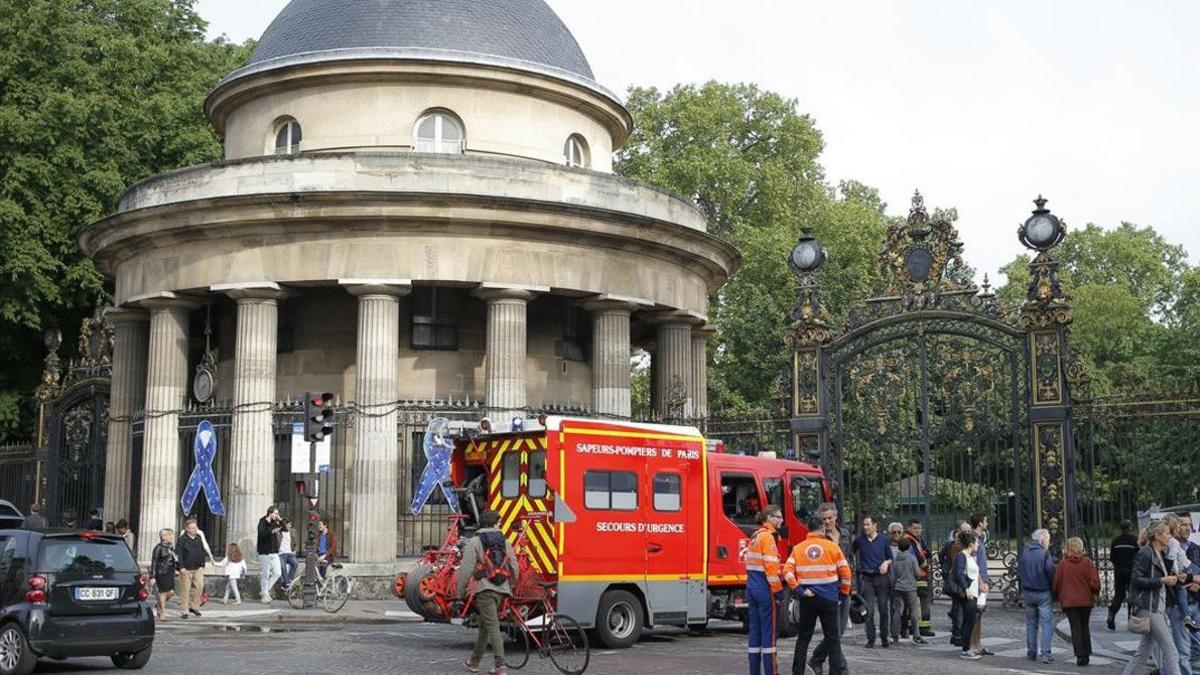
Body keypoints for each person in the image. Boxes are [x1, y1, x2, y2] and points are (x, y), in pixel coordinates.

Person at [784, 514, 851, 675]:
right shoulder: (833, 547)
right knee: (833, 639)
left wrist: (799, 590)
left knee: (803, 638)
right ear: (822, 528)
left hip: (808, 599)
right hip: (829, 599)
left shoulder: (798, 548)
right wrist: (842, 595)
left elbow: (786, 572)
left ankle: (798, 672)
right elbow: (846, 573)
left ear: (808, 528)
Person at [458, 509, 519, 675]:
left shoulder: (475, 542)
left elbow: (466, 570)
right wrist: (513, 583)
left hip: (484, 589)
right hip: (502, 589)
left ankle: (500, 665)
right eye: (498, 522)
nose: (500, 525)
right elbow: (514, 564)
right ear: (494, 523)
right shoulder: (504, 541)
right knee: (485, 626)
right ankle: (474, 662)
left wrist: (459, 593)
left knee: (491, 625)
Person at [1122, 520, 1182, 675]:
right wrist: (1161, 580)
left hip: (1157, 606)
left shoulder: (1160, 553)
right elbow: (1136, 579)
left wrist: (1174, 578)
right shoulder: (1145, 553)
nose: (1170, 537)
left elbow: (1161, 576)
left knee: (1142, 653)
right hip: (1149, 607)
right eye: (1167, 533)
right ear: (1157, 536)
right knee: (1171, 651)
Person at [809, 502, 851, 675]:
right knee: (835, 631)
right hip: (827, 587)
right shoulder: (818, 538)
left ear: (836, 517)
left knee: (837, 631)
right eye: (824, 519)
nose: (827, 522)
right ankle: (840, 669)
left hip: (845, 585)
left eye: (830, 518)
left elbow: (851, 559)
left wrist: (853, 584)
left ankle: (816, 659)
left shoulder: (846, 534)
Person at [745, 505, 784, 675]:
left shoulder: (755, 535)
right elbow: (771, 569)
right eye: (778, 516)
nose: (781, 520)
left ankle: (754, 672)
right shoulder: (768, 537)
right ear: (769, 518)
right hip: (764, 589)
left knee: (755, 632)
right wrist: (778, 591)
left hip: (752, 587)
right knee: (769, 633)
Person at [1053, 536, 1101, 666]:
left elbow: (1056, 583)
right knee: (1085, 627)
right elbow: (1095, 583)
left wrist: (1056, 596)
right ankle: (1086, 654)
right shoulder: (1087, 562)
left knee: (1075, 628)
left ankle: (1079, 655)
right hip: (1085, 601)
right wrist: (1094, 591)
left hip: (1069, 601)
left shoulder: (1063, 564)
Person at [852, 515, 893, 648]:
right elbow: (850, 553)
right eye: (864, 525)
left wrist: (886, 563)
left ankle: (884, 637)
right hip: (866, 578)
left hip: (881, 578)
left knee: (883, 609)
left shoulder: (884, 540)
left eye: (868, 525)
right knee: (868, 610)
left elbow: (890, 557)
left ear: (875, 525)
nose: (865, 527)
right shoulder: (859, 540)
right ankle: (871, 639)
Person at [1018, 528, 1056, 664]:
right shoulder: (1045, 554)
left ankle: (1031, 652)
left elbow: (1020, 573)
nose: (1048, 543)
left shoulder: (1025, 553)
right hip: (1043, 592)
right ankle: (1045, 653)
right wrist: (1054, 589)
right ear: (1042, 540)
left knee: (1031, 624)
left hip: (1028, 592)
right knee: (1047, 624)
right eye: (1048, 540)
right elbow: (1050, 573)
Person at [952, 530, 982, 660]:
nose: (978, 544)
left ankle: (967, 648)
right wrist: (967, 589)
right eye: (976, 542)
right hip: (968, 593)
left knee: (969, 621)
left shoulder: (969, 556)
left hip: (973, 592)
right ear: (971, 544)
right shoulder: (962, 556)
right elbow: (959, 573)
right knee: (969, 621)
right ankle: (966, 649)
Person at [940, 521, 971, 646]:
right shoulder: (953, 546)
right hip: (956, 580)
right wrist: (946, 569)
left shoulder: (965, 545)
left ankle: (957, 632)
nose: (968, 534)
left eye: (969, 532)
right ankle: (957, 634)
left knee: (957, 607)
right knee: (959, 608)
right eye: (966, 532)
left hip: (959, 579)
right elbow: (942, 557)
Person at [904, 518, 936, 637]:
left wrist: (925, 559)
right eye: (915, 528)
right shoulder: (909, 540)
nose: (918, 530)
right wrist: (924, 562)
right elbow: (920, 558)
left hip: (920, 574)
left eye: (919, 528)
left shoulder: (918, 539)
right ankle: (922, 628)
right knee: (920, 602)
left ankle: (920, 626)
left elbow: (928, 552)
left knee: (920, 602)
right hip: (917, 575)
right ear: (908, 528)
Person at [889, 537, 924, 645]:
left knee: (898, 611)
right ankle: (916, 635)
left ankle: (894, 634)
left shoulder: (896, 559)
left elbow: (892, 576)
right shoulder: (912, 558)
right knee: (914, 612)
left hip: (898, 588)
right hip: (910, 588)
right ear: (909, 547)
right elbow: (918, 573)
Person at [176, 518, 213, 619]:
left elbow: (201, 551)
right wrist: (181, 567)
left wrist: (202, 564)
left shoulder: (198, 538)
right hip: (186, 568)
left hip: (197, 567)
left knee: (200, 586)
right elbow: (178, 555)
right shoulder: (182, 540)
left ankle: (194, 606)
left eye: (195, 527)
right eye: (192, 528)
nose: (194, 529)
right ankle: (184, 610)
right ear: (187, 529)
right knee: (186, 590)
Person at [968, 512, 994, 656]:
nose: (987, 523)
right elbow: (973, 563)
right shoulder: (973, 539)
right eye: (985, 520)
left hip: (982, 580)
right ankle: (972, 645)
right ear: (979, 523)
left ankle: (978, 644)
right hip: (977, 583)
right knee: (975, 615)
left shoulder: (980, 538)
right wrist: (980, 582)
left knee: (979, 615)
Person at [1108, 519, 1140, 630]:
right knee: (1132, 595)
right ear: (1130, 527)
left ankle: (1112, 613)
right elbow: (1138, 557)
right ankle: (1130, 619)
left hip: (1119, 571)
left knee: (1119, 595)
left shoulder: (1116, 541)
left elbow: (1112, 557)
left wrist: (1118, 564)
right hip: (1131, 571)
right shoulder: (1134, 541)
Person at [150, 528, 179, 620]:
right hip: (161, 572)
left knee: (171, 592)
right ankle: (162, 611)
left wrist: (175, 569)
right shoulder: (158, 548)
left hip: (170, 572)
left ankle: (159, 605)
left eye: (171, 535)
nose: (171, 537)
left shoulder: (170, 547)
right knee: (163, 592)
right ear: (163, 537)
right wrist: (153, 576)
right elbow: (154, 562)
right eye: (169, 535)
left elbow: (173, 560)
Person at [257, 505, 283, 603]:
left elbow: (284, 528)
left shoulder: (275, 522)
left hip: (274, 551)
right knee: (265, 573)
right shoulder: (262, 521)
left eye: (277, 514)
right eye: (276, 513)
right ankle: (265, 595)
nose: (277, 515)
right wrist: (271, 531)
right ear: (270, 513)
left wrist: (280, 519)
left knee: (277, 573)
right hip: (264, 551)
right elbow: (261, 534)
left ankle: (265, 590)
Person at [279, 519, 298, 588]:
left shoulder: (292, 532)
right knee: (282, 567)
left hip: (290, 553)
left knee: (295, 563)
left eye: (290, 525)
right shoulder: (279, 533)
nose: (289, 526)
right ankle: (287, 583)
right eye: (288, 525)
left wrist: (295, 550)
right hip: (281, 553)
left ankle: (289, 580)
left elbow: (295, 543)